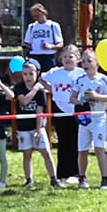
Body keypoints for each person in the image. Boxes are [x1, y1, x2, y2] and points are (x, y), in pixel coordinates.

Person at [44, 44, 87, 186]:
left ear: (77, 59)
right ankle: (62, 173)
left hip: (76, 108)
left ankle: (75, 173)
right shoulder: (55, 72)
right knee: (63, 141)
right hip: (59, 108)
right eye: (65, 57)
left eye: (71, 56)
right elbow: (41, 79)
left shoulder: (81, 73)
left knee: (75, 141)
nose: (67, 59)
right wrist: (52, 90)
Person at [77, 48, 107, 187]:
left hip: (99, 119)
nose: (86, 64)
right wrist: (81, 102)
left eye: (89, 61)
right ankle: (82, 178)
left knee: (99, 149)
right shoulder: (80, 80)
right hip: (85, 119)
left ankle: (104, 179)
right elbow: (73, 98)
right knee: (82, 150)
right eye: (83, 61)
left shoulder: (103, 79)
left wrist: (97, 97)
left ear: (97, 63)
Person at [9, 59, 52, 188]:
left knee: (46, 152)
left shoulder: (41, 92)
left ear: (37, 73)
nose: (28, 77)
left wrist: (38, 130)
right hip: (23, 127)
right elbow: (24, 101)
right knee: (27, 154)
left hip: (37, 126)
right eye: (25, 74)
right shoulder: (19, 87)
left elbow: (40, 111)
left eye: (31, 74)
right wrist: (35, 88)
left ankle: (54, 179)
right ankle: (29, 180)